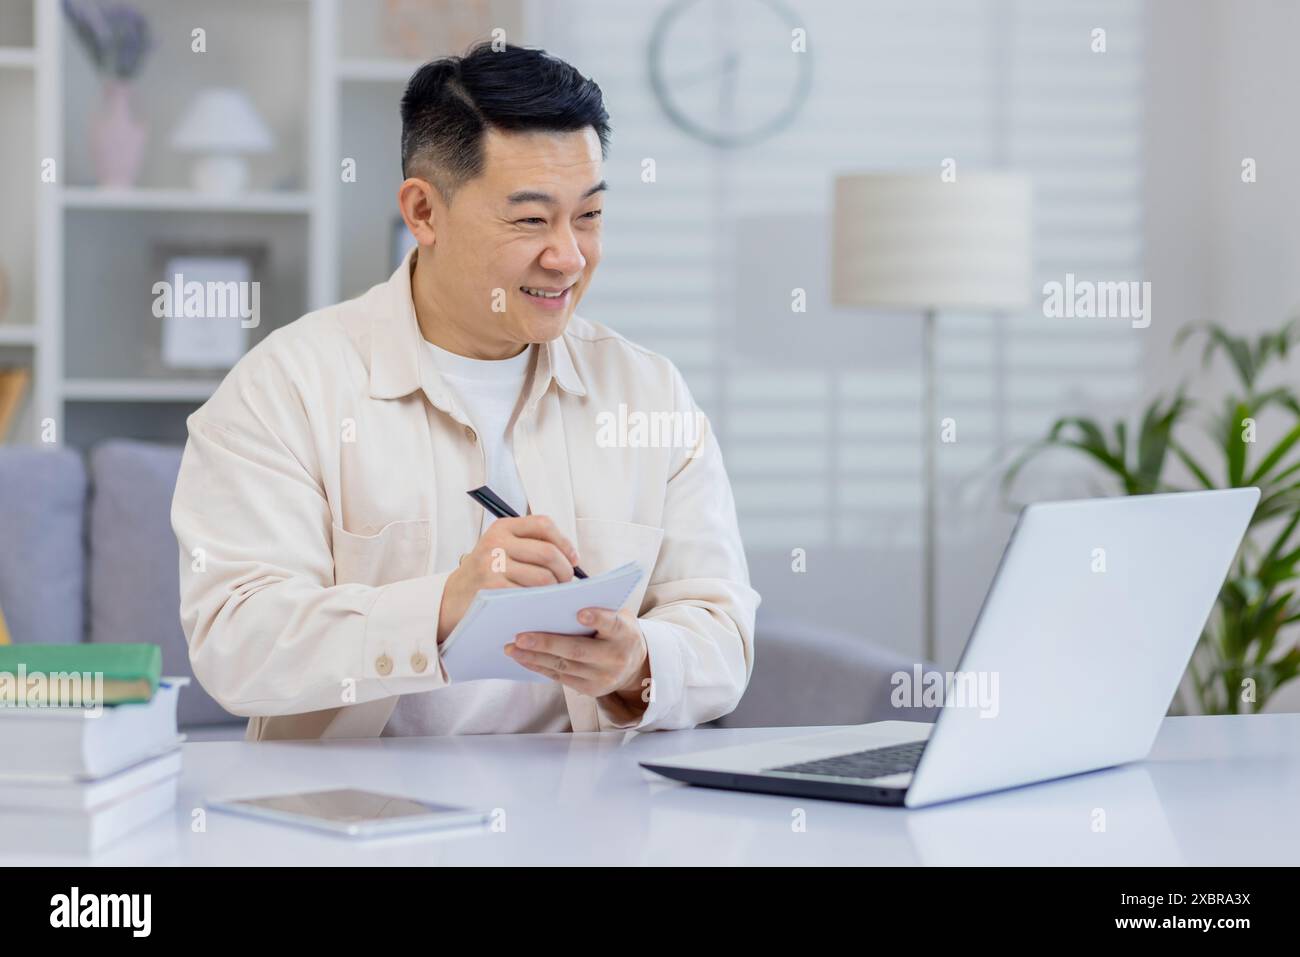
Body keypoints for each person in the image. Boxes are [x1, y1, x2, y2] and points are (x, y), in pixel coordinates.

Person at [171, 42, 758, 741]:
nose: (568, 256)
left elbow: (720, 623)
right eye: (531, 219)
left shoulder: (648, 395)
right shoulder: (285, 389)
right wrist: (443, 606)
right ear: (423, 213)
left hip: (596, 825)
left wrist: (640, 663)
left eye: (590, 216)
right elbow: (237, 642)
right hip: (355, 828)